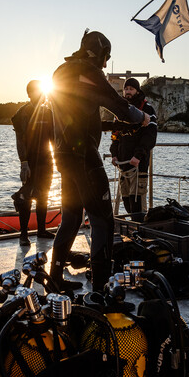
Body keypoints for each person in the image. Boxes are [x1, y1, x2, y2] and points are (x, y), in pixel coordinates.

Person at [49, 30, 151, 293]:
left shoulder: (61, 72)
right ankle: (101, 289)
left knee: (70, 219)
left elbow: (78, 115)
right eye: (106, 57)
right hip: (84, 157)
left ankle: (55, 279)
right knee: (103, 220)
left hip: (63, 155)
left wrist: (113, 125)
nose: (106, 64)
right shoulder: (90, 72)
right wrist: (142, 118)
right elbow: (119, 104)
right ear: (100, 53)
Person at [11, 80, 55, 247]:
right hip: (29, 162)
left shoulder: (49, 113)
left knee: (43, 196)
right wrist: (24, 162)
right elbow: (20, 140)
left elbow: (54, 139)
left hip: (46, 160)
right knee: (26, 197)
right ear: (29, 94)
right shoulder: (22, 113)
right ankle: (23, 234)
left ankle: (41, 230)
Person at [110, 78, 158, 220]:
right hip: (124, 165)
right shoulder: (121, 112)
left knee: (137, 203)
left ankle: (141, 233)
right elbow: (114, 135)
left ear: (137, 90)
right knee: (126, 201)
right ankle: (133, 232)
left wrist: (138, 155)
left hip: (138, 164)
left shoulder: (147, 109)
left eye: (131, 89)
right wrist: (114, 154)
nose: (128, 92)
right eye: (126, 89)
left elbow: (150, 136)